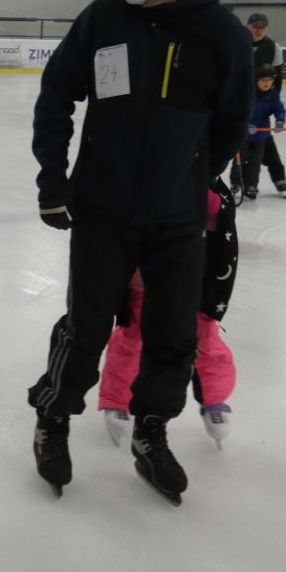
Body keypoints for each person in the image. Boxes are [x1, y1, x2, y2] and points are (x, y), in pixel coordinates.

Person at [28, 0, 253, 506]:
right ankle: (53, 417)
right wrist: (53, 179)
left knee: (174, 333)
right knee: (87, 326)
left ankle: (152, 429)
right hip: (102, 206)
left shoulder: (224, 37)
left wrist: (191, 177)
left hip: (177, 217)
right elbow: (56, 94)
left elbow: (231, 124)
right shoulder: (106, 15)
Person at [100, 180, 238, 451]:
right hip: (148, 271)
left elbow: (220, 229)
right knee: (134, 335)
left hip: (196, 276)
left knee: (204, 336)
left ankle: (214, 400)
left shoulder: (208, 184)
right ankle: (117, 398)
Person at [230, 63, 286, 200]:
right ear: (256, 80)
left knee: (256, 162)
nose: (267, 83)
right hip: (244, 136)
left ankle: (251, 185)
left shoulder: (273, 96)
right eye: (263, 80)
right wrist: (246, 124)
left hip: (261, 135)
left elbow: (279, 110)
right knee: (239, 160)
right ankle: (236, 182)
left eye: (270, 80)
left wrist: (280, 121)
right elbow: (238, 111)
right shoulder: (248, 94)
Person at [247, 12, 286, 192]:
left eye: (262, 27)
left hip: (261, 102)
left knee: (263, 141)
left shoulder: (273, 48)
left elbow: (278, 78)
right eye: (255, 26)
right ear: (248, 26)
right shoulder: (238, 43)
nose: (259, 30)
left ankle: (278, 177)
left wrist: (272, 100)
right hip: (241, 102)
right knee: (237, 144)